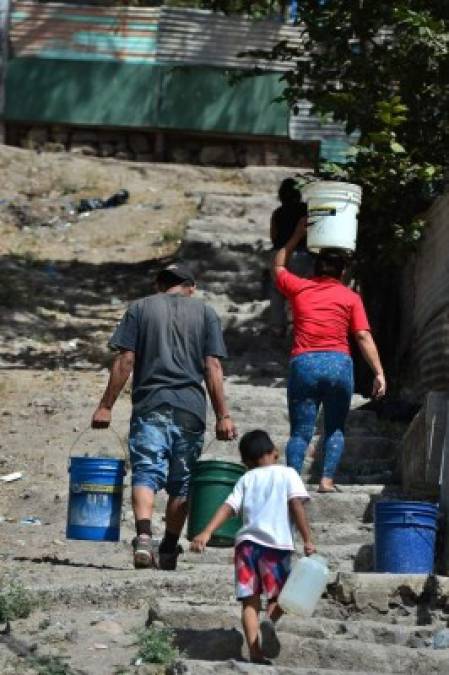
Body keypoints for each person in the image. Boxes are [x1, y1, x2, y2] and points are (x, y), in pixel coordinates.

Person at [91, 262, 237, 570]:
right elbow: (212, 367)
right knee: (182, 482)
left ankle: (144, 538)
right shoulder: (206, 313)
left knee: (145, 470)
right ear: (191, 286)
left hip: (150, 404)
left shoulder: (140, 309)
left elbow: (126, 360)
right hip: (190, 408)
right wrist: (223, 415)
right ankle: (169, 547)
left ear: (160, 285)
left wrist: (106, 405)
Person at [272, 223, 387, 493]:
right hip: (338, 365)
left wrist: (297, 235)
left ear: (315, 269)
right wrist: (378, 371)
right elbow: (362, 336)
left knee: (300, 431)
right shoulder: (350, 297)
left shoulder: (299, 288)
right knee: (335, 427)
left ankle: (292, 483)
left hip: (305, 364)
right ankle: (325, 480)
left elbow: (278, 267)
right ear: (343, 272)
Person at [191, 429, 315, 665]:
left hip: (246, 547)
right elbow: (296, 505)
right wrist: (307, 538)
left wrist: (207, 532)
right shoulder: (288, 473)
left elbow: (228, 507)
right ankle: (269, 622)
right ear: (275, 452)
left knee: (249, 600)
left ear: (246, 462)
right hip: (275, 547)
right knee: (280, 597)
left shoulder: (245, 478)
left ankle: (255, 654)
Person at [269, 178, 315, 337]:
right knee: (303, 292)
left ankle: (277, 328)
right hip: (302, 255)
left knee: (277, 292)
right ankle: (300, 327)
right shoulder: (306, 210)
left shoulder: (277, 213)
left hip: (279, 254)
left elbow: (273, 237)